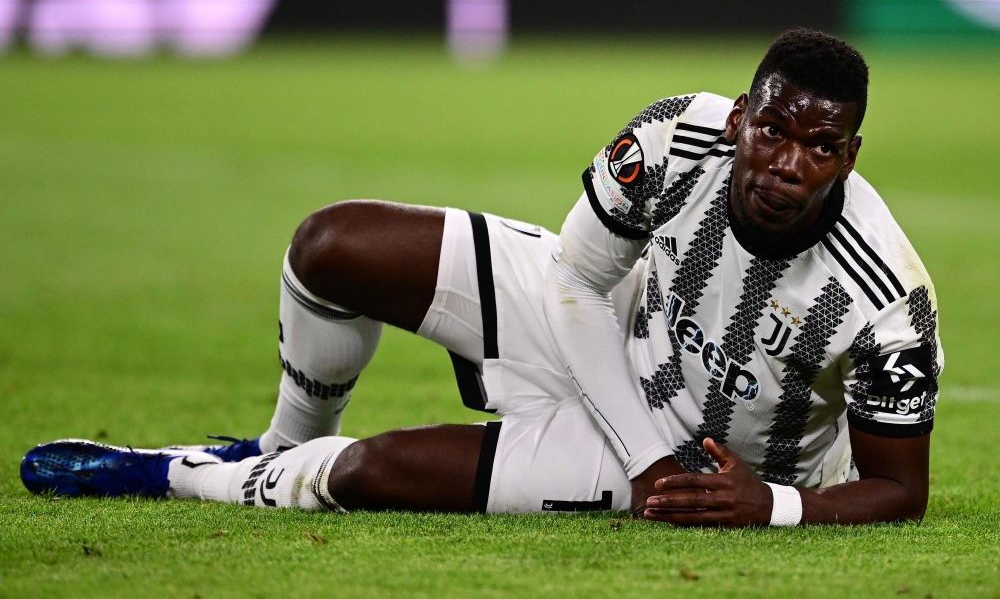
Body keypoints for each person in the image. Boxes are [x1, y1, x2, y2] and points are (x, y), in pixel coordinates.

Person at [22, 28, 942, 528]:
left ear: (849, 154)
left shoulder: (885, 298)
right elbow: (579, 282)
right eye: (773, 131)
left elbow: (901, 491)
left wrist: (769, 505)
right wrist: (644, 443)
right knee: (332, 246)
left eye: (821, 147)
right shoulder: (676, 135)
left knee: (374, 473)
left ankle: (182, 479)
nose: (788, 162)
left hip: (700, 465)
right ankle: (275, 442)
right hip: (611, 326)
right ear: (741, 117)